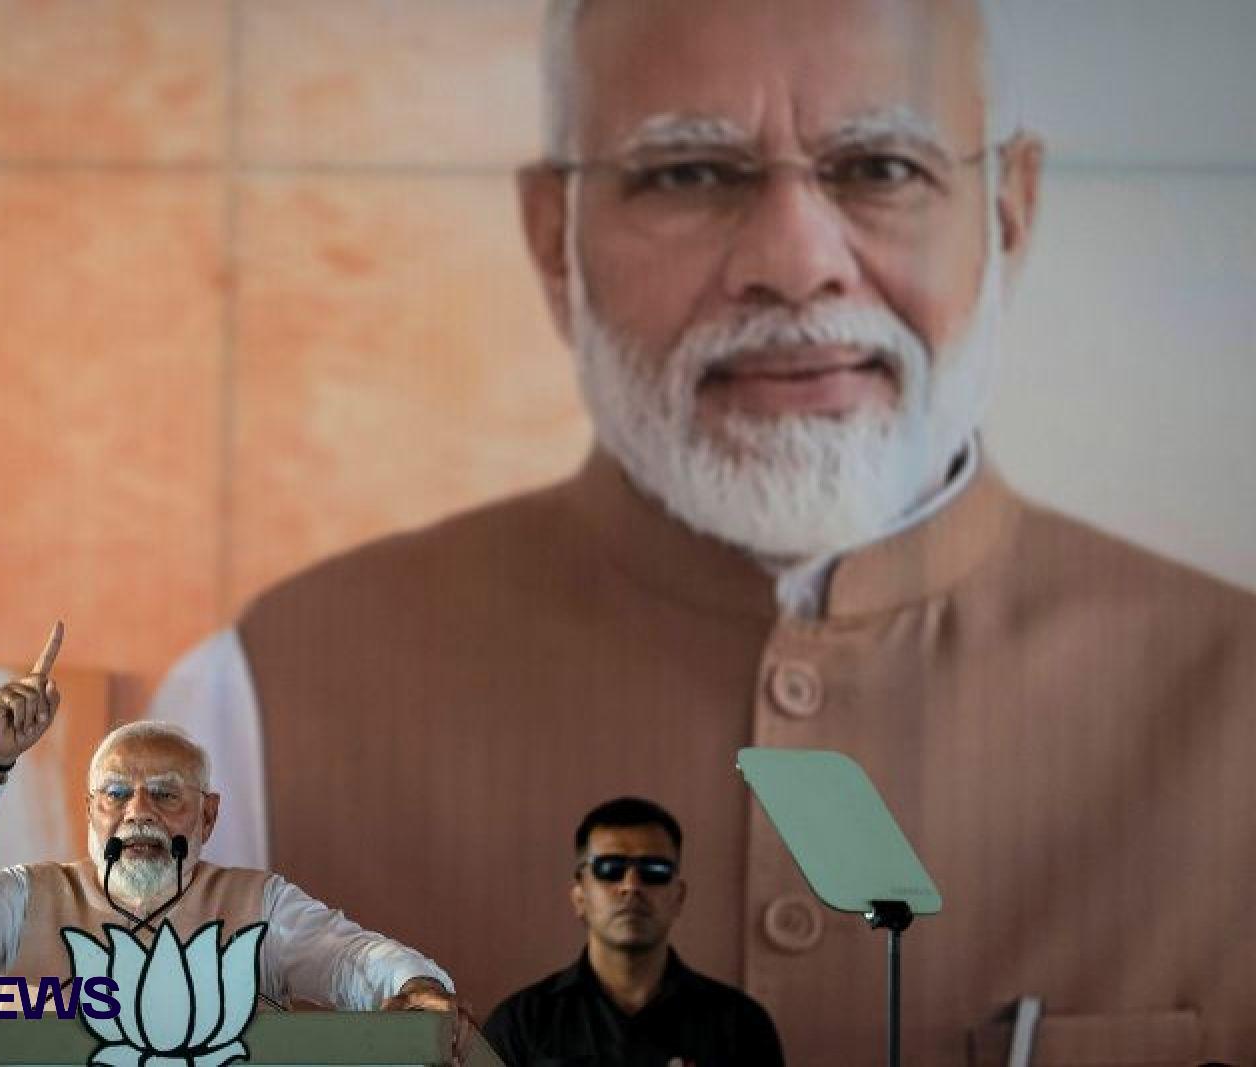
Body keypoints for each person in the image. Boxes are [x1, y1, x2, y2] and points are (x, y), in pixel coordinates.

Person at [149, 1, 1256, 1061]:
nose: (791, 260)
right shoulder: (257, 711)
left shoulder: (1234, 700)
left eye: (880, 168)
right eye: (686, 173)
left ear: (1008, 212)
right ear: (553, 235)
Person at [0, 622, 461, 1019]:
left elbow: (349, 959)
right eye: (116, 794)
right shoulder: (28, 900)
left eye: (165, 794)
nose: (139, 812)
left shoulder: (258, 904)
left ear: (207, 816)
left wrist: (412, 984)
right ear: (90, 810)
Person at [484, 798, 782, 1067]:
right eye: (609, 868)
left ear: (678, 896)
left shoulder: (741, 1026)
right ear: (579, 897)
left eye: (654, 870)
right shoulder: (521, 1023)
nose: (631, 886)